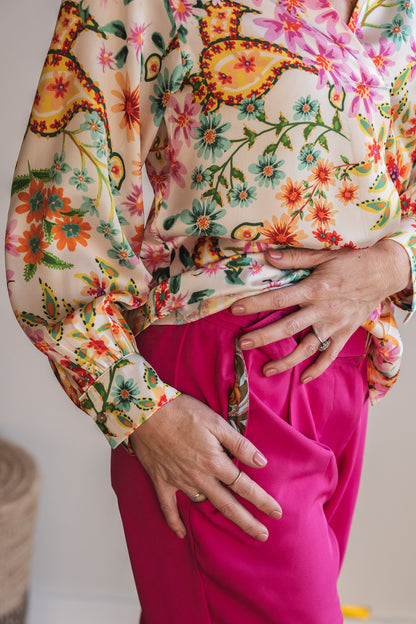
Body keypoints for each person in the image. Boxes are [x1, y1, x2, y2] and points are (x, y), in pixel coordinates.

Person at [5, 0, 416, 622]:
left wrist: (396, 264)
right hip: (222, 373)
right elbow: (58, 208)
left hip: (344, 369)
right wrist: (137, 407)